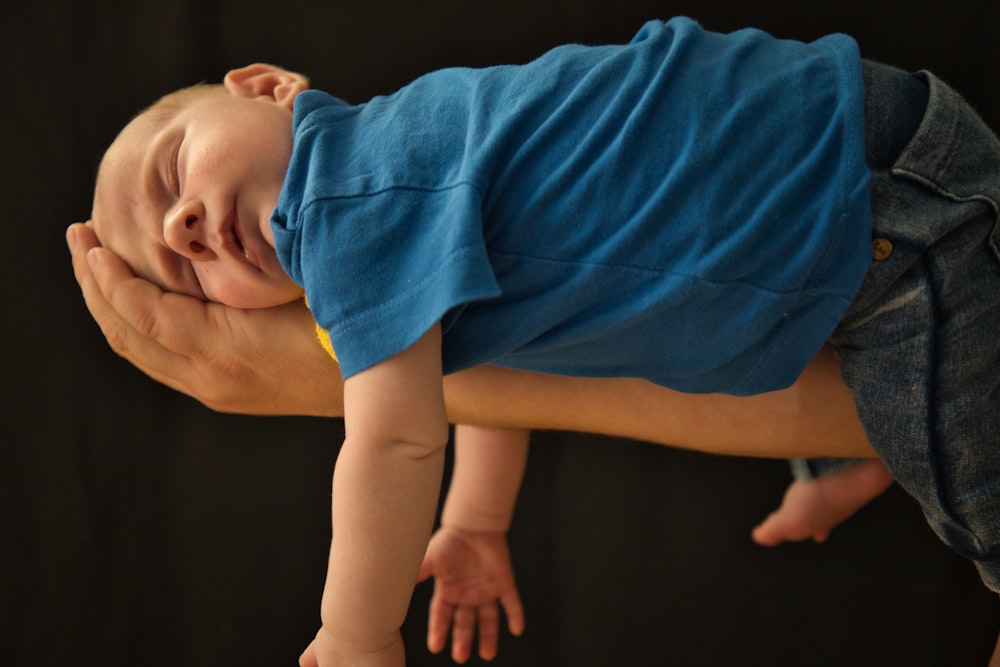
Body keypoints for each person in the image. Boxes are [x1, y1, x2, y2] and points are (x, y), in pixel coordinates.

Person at [78, 16, 1000, 667]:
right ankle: (854, 450)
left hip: (885, 213)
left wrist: (358, 635)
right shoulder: (414, 175)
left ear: (269, 89)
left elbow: (393, 438)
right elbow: (481, 363)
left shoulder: (341, 201)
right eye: (184, 268)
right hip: (843, 181)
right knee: (871, 372)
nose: (186, 227)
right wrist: (476, 521)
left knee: (985, 495)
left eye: (172, 175)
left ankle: (903, 436)